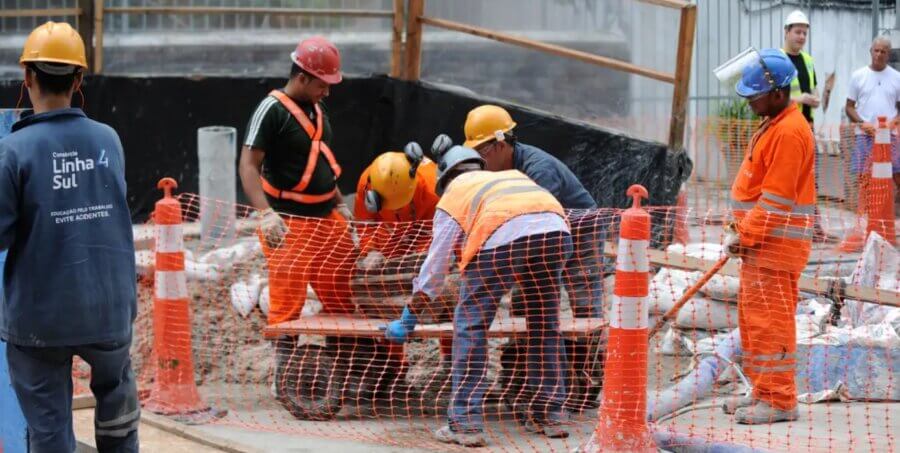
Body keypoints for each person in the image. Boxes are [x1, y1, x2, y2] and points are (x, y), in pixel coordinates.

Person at [0, 21, 139, 452]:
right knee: (118, 421)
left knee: (49, 433)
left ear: (27, 77)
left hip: (42, 320)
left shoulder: (14, 150)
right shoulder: (108, 140)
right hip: (109, 311)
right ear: (79, 80)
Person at [384, 145, 573, 446]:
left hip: (500, 236)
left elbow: (436, 267)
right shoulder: (508, 176)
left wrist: (409, 316)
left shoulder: (453, 196)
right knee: (545, 325)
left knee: (470, 327)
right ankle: (549, 414)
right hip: (556, 231)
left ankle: (464, 423)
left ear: (444, 178)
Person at [238, 36, 356, 400]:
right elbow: (247, 164)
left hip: (325, 218)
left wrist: (339, 203)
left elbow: (317, 163)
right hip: (289, 222)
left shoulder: (317, 111)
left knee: (342, 295)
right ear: (303, 77)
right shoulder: (271, 110)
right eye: (324, 84)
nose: (328, 92)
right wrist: (266, 215)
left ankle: (347, 372)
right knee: (288, 303)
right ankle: (286, 379)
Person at [723, 48, 815, 424]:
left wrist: (743, 235)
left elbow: (776, 202)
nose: (748, 102)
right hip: (761, 246)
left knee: (771, 323)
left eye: (754, 95)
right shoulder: (775, 124)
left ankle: (779, 400)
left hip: (775, 247)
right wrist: (741, 232)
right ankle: (763, 389)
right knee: (754, 322)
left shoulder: (791, 133)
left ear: (778, 93)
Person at [461, 104, 603, 319]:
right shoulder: (497, 170)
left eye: (482, 152)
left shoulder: (539, 169)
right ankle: (517, 350)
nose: (480, 160)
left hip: (581, 228)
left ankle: (591, 351)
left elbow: (534, 220)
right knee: (525, 299)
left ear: (500, 144)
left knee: (584, 296)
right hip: (543, 232)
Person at [782, 10, 833, 241]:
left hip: (806, 125)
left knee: (809, 177)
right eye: (797, 32)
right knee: (788, 176)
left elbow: (811, 90)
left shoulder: (808, 61)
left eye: (804, 33)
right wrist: (799, 99)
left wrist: (816, 97)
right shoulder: (778, 60)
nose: (801, 37)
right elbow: (773, 96)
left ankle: (812, 225)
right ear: (787, 32)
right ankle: (788, 224)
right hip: (785, 127)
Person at [845, 36, 900, 207]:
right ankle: (866, 215)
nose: (879, 54)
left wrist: (895, 122)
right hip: (865, 135)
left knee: (896, 174)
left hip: (890, 136)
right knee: (864, 177)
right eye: (876, 50)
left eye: (883, 51)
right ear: (870, 51)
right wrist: (862, 123)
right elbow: (849, 107)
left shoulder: (897, 77)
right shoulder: (858, 76)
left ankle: (888, 211)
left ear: (888, 54)